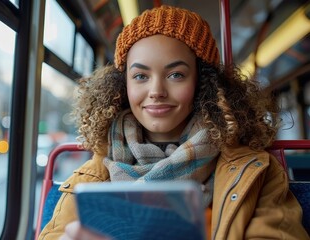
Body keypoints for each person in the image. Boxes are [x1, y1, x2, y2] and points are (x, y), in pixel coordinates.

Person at [38, 5, 309, 240]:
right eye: (141, 76)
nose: (156, 91)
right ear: (124, 86)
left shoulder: (256, 173)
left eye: (176, 75)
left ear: (203, 83)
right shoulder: (92, 176)